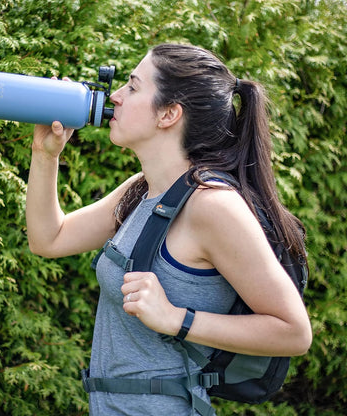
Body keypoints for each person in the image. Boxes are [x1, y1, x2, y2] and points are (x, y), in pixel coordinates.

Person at [26, 43, 312, 415]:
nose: (115, 96)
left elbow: (293, 331)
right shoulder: (143, 188)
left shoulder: (212, 206)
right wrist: (45, 155)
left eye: (131, 86)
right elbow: (49, 239)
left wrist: (177, 319)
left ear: (169, 114)